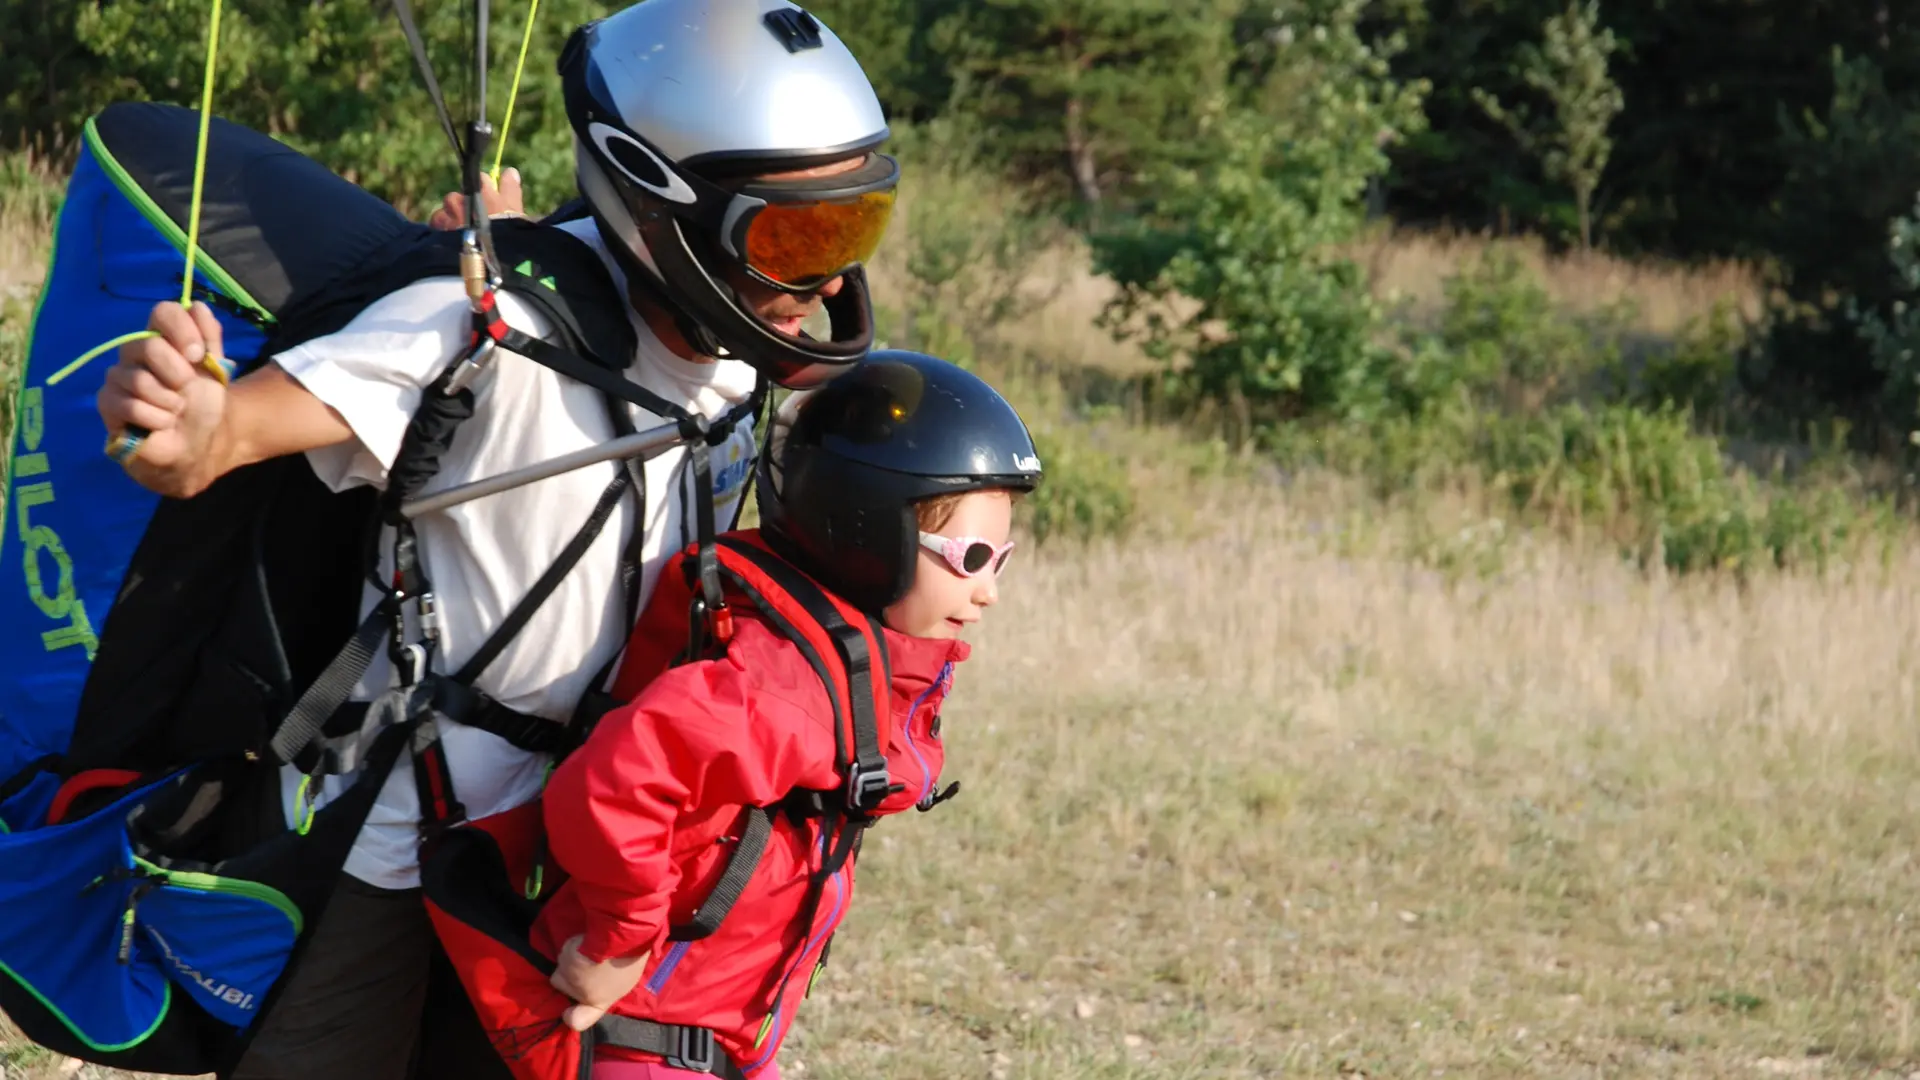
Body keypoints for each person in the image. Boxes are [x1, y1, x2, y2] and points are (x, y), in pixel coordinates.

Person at [89, 2, 900, 1078]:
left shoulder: (739, 357)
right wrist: (182, 422)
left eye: (852, 234)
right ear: (658, 204)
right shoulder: (474, 330)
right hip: (399, 849)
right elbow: (219, 442)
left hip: (584, 849)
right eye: (794, 240)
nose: (826, 286)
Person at [525, 351, 1043, 1080]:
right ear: (864, 531)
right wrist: (620, 941)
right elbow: (614, 779)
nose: (987, 590)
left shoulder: (842, 664)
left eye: (1003, 558)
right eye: (972, 555)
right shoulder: (781, 684)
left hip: (713, 1046)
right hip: (646, 1047)